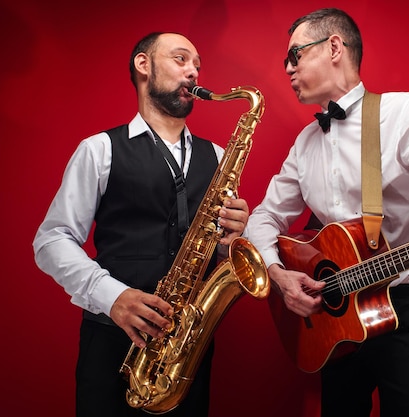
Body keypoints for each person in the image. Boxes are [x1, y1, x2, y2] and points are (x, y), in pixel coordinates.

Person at [244, 8, 409, 417]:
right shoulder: (305, 143)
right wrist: (277, 274)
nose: (287, 68)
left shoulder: (408, 113)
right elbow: (263, 218)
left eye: (294, 56)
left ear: (334, 47)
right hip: (334, 313)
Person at [32, 32, 250, 417]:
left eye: (197, 64)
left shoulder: (217, 156)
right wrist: (112, 296)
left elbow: (214, 250)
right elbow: (52, 240)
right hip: (112, 343)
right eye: (181, 59)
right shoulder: (98, 149)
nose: (194, 72)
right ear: (143, 65)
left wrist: (229, 238)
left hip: (187, 350)